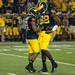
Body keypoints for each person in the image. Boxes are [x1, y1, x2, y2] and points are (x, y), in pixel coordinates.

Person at [33, 1, 59, 73]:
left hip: (47, 33)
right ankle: (44, 67)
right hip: (41, 33)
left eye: (40, 5)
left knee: (44, 49)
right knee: (41, 50)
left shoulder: (50, 11)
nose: (39, 7)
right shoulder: (40, 13)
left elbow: (58, 22)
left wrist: (53, 28)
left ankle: (53, 63)